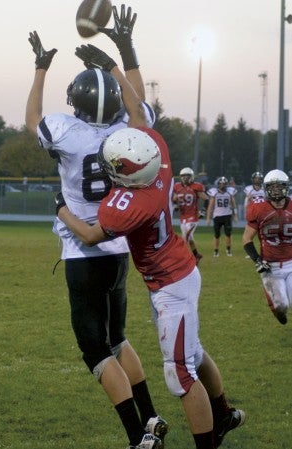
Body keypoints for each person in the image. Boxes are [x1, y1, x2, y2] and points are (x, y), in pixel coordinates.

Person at [55, 88, 245, 449]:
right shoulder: (159, 165)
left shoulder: (125, 205)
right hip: (180, 271)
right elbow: (139, 117)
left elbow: (92, 235)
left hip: (169, 283)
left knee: (179, 374)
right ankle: (222, 413)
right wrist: (121, 60)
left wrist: (62, 210)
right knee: (194, 353)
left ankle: (211, 438)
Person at [25, 6, 167, 449]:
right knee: (119, 338)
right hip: (118, 249)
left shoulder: (67, 132)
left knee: (96, 351)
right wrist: (125, 54)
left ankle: (137, 438)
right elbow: (138, 106)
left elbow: (33, 120)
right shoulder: (126, 132)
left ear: (78, 102)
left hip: (82, 253)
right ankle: (152, 417)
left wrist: (40, 69)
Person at [242, 169, 292, 325]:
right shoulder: (258, 209)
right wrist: (257, 261)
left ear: (286, 187)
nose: (276, 191)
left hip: (291, 261)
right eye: (272, 187)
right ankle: (276, 309)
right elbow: (246, 238)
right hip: (271, 265)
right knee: (281, 306)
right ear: (266, 189)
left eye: (279, 186)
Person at [172, 167, 208, 265]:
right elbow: (174, 199)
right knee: (190, 238)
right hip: (183, 217)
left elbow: (206, 199)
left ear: (191, 177)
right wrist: (175, 205)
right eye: (183, 176)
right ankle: (196, 255)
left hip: (193, 216)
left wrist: (204, 210)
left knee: (186, 237)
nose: (185, 178)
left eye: (187, 176)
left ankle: (183, 259)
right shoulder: (177, 187)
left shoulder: (196, 187)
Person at [206, 177, 238, 257]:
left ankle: (228, 249)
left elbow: (234, 205)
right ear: (218, 184)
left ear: (226, 184)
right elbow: (210, 206)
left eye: (224, 184)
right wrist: (208, 218)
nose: (222, 185)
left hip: (227, 215)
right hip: (217, 216)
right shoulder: (215, 193)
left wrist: (235, 215)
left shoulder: (230, 193)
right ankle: (216, 250)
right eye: (221, 184)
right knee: (217, 235)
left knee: (228, 234)